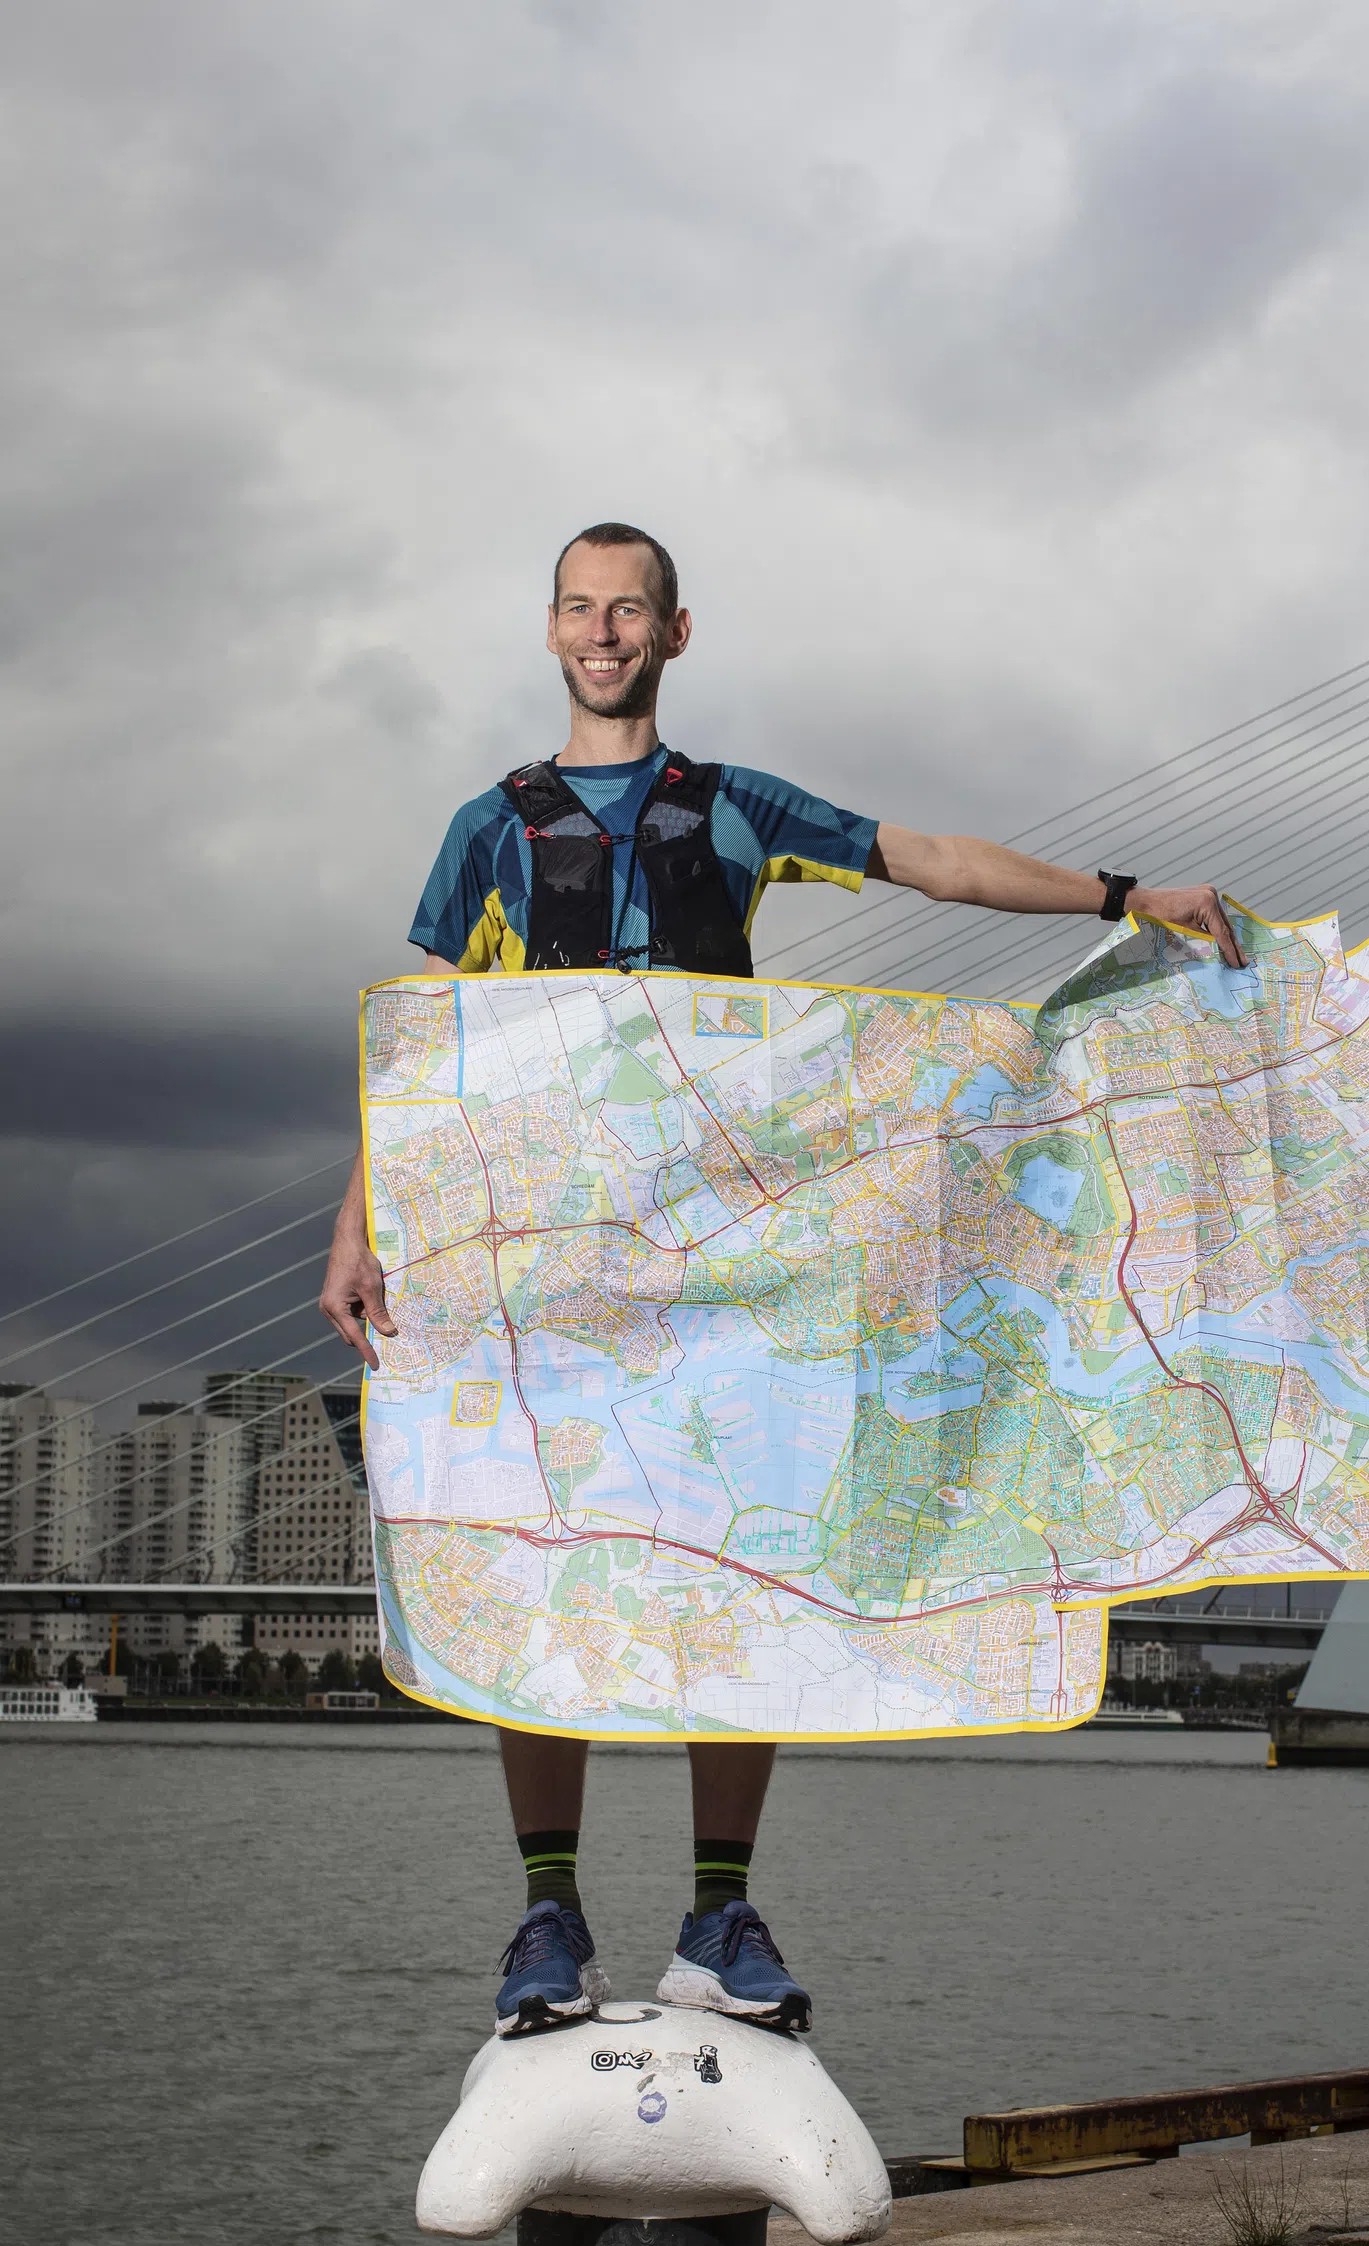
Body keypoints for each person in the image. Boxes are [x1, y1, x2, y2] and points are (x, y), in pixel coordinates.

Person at [320, 519, 1243, 2042]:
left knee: (738, 1558)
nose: (603, 632)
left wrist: (1119, 895)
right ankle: (548, 1917)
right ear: (550, 629)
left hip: (725, 1252)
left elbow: (930, 860)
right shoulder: (489, 827)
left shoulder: (736, 806)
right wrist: (358, 1221)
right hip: (546, 1253)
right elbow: (426, 1049)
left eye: (629, 609)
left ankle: (717, 1917)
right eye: (579, 607)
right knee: (536, 1557)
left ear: (673, 633)